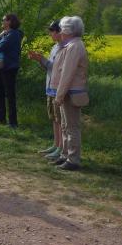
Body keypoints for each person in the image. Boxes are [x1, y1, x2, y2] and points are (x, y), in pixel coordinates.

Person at [49, 16, 88, 171]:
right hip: (67, 92)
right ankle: (65, 155)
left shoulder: (74, 46)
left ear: (68, 31)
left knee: (71, 127)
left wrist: (59, 96)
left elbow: (67, 73)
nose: (60, 32)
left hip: (71, 93)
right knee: (65, 126)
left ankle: (73, 159)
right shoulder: (70, 45)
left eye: (63, 29)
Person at [28, 20, 64, 161]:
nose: (50, 34)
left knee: (60, 120)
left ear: (59, 31)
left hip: (57, 87)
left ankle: (61, 147)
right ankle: (55, 144)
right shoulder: (55, 47)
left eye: (52, 31)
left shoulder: (64, 48)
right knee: (53, 118)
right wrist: (39, 60)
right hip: (50, 87)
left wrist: (41, 58)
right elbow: (48, 67)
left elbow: (56, 68)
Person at [0, 13, 23, 127]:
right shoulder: (5, 34)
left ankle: (13, 122)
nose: (2, 22)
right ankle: (0, 119)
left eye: (3, 20)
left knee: (10, 94)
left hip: (9, 67)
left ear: (9, 21)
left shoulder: (14, 34)